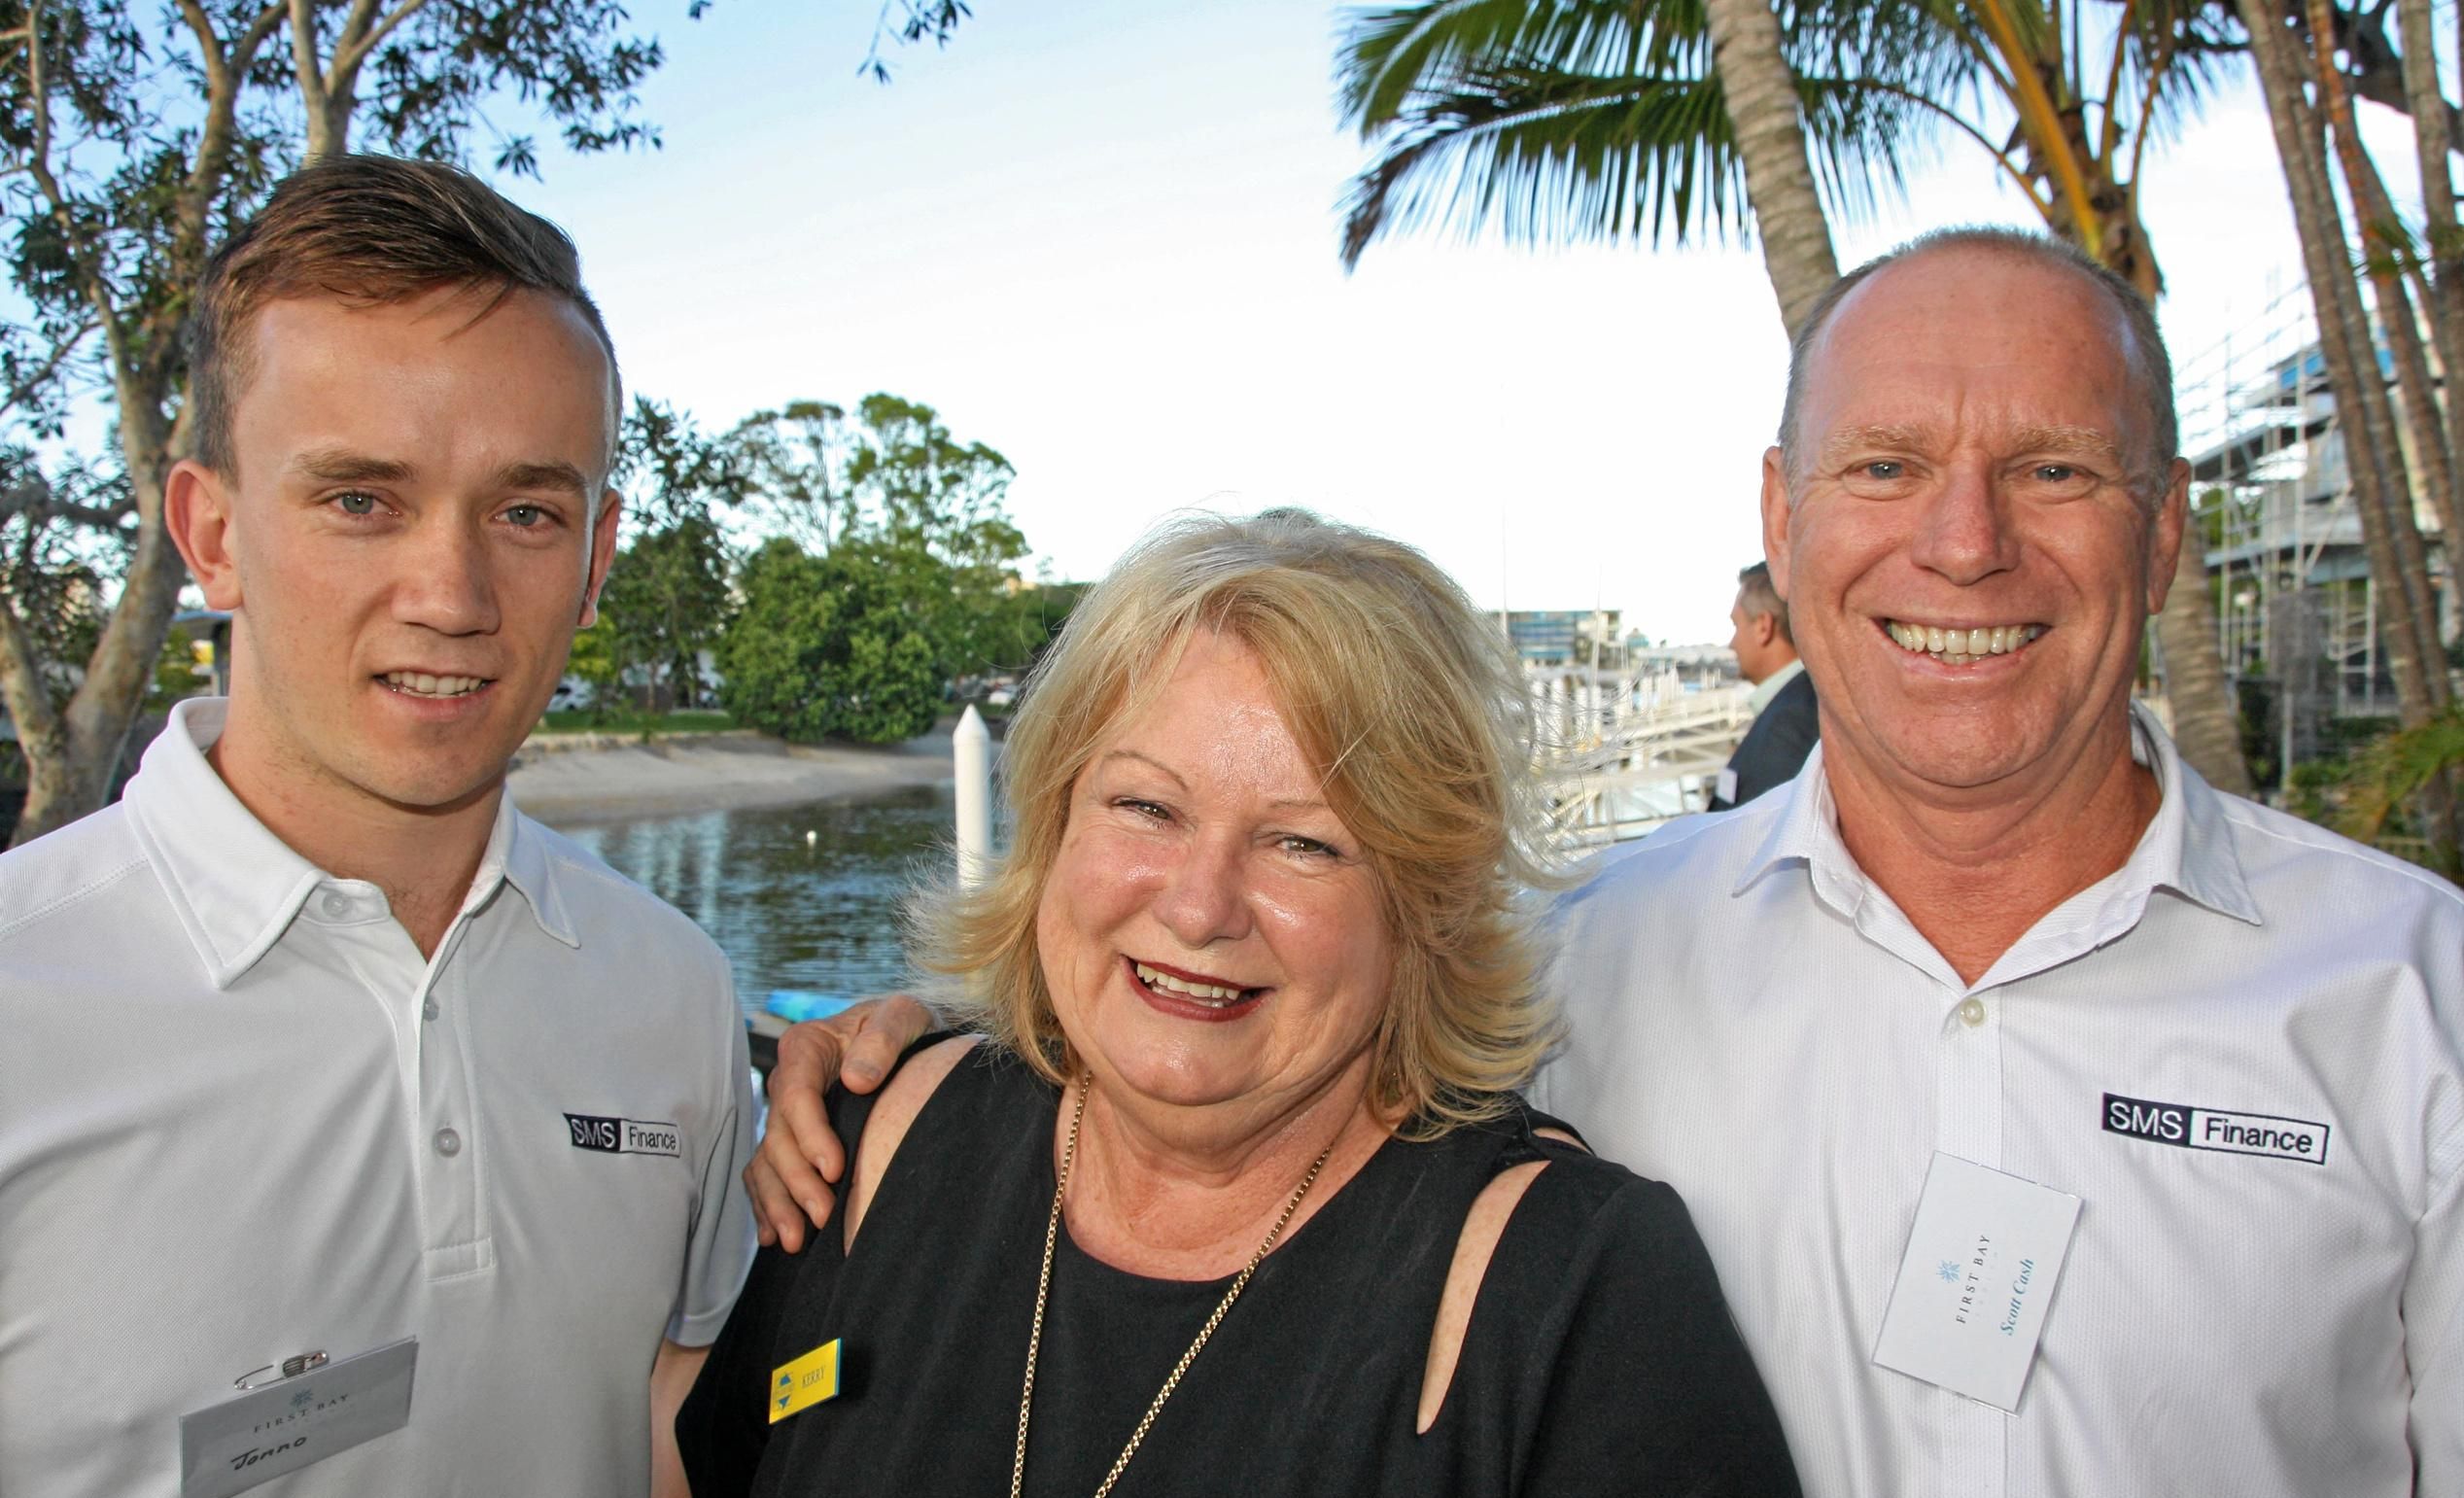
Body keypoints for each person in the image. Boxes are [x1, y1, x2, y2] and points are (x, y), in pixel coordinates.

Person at [748, 230, 2464, 1498]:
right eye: (1886, 466)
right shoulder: (1589, 955)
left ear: (2163, 531)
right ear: (1783, 518)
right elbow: (1247, 999)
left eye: (2056, 470)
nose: (1964, 541)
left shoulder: (2416, 1000)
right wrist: (925, 1035)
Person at [677, 510, 1799, 1496]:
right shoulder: (876, 1138)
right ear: (1054, 822)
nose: (1202, 905)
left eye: (1304, 841)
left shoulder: (1570, 1289)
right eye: (1147, 807)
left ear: (1425, 907)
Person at [0, 157, 755, 1497]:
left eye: (526, 511)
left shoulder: (670, 989)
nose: (452, 591)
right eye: (361, 500)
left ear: (594, 561)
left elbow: (665, 1419)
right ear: (211, 535)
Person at [1706, 560, 1818, 811]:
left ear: (1763, 627)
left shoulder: (1792, 720)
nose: (1731, 645)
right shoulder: (1797, 704)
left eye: (1737, 625)